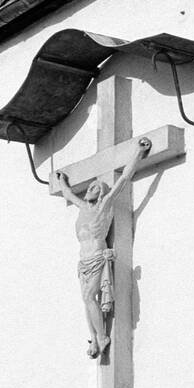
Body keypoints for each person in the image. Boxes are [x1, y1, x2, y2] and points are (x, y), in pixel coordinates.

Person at [55, 136, 152, 359]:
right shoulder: (82, 207)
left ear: (100, 193)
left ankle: (102, 336)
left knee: (90, 297)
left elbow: (124, 179)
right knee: (86, 300)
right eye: (89, 188)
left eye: (94, 188)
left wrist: (138, 153)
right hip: (83, 261)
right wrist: (61, 182)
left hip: (98, 257)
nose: (89, 190)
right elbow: (69, 194)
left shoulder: (105, 204)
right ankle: (94, 336)